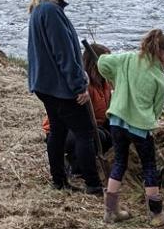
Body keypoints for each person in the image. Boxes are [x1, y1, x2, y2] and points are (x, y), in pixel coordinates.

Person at [26, 0, 103, 195]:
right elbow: (64, 54)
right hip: (60, 87)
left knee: (58, 132)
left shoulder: (43, 9)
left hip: (45, 84)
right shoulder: (51, 12)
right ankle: (93, 184)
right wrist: (79, 86)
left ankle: (59, 181)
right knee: (84, 133)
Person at [97, 30, 164, 228]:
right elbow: (155, 111)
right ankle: (156, 214)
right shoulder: (159, 80)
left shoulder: (127, 59)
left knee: (119, 163)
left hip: (117, 121)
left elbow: (102, 62)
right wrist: (149, 126)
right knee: (149, 168)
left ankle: (110, 212)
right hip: (140, 127)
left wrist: (115, 79)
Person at [40, 40, 114, 179]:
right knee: (96, 137)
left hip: (94, 125)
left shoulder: (106, 84)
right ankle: (72, 163)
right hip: (68, 130)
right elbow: (76, 119)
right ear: (95, 64)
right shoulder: (82, 86)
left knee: (115, 133)